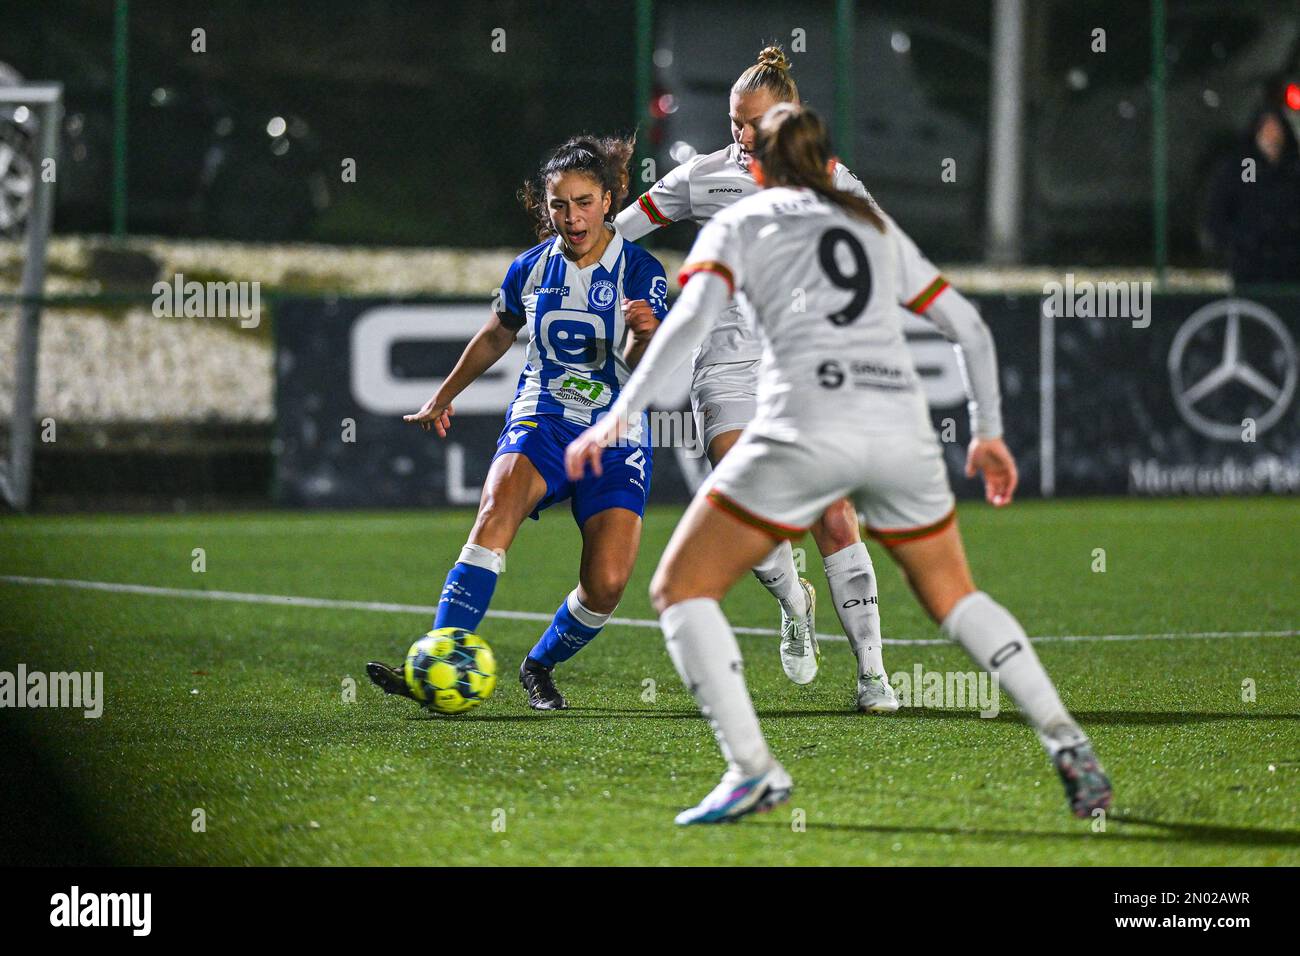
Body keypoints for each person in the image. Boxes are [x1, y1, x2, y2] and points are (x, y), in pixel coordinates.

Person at [567, 104, 1112, 824]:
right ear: (826, 162)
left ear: (758, 165)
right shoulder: (870, 225)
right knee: (956, 598)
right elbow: (970, 328)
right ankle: (1068, 742)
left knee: (681, 589)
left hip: (808, 427)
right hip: (899, 431)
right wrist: (987, 433)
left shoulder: (741, 220)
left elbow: (688, 326)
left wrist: (619, 416)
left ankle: (753, 769)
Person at [615, 45, 897, 712]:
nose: (738, 135)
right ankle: (795, 605)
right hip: (727, 357)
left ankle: (872, 674)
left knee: (831, 512)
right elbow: (621, 232)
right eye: (733, 122)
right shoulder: (702, 176)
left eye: (752, 123)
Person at [367, 134, 668, 711]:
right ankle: (441, 653)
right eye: (559, 204)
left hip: (616, 434)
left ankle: (540, 665)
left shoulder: (641, 271)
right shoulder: (530, 269)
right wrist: (443, 396)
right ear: (544, 207)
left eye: (584, 202)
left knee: (606, 585)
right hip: (544, 418)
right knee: (494, 512)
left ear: (609, 200)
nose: (572, 217)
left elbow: (643, 365)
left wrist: (644, 332)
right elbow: (498, 332)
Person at [1203, 104, 1300, 285]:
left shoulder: (1293, 170)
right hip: (1251, 267)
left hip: (1291, 269)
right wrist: (1239, 242)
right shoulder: (1241, 169)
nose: (1272, 136)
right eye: (1266, 129)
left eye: (1276, 129)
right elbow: (1217, 215)